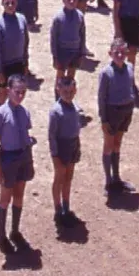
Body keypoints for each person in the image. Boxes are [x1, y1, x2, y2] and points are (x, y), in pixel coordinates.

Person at [0, 75, 36, 254]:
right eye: (17, 92)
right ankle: (1, 235)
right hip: (8, 159)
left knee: (19, 196)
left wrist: (30, 160)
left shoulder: (24, 112)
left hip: (23, 156)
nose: (20, 96)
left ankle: (15, 231)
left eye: (23, 92)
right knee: (5, 198)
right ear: (8, 90)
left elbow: (26, 136)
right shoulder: (0, 113)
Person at [97, 39, 137, 194]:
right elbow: (101, 97)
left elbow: (131, 86)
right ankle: (108, 181)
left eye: (123, 52)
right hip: (112, 112)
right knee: (108, 145)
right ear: (110, 53)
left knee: (117, 144)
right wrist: (103, 119)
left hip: (126, 111)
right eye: (116, 52)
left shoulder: (130, 68)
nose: (120, 55)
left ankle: (117, 177)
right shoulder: (106, 73)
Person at [48, 77, 82, 227]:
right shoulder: (56, 111)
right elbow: (52, 135)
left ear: (75, 90)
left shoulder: (75, 107)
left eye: (71, 91)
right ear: (58, 90)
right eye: (65, 91)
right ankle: (57, 209)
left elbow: (77, 128)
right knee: (59, 177)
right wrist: (55, 155)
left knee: (68, 177)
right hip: (61, 148)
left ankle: (66, 207)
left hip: (73, 145)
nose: (68, 94)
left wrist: (78, 146)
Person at [0, 0, 30, 107]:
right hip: (5, 65)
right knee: (3, 93)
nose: (10, 5)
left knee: (18, 92)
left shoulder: (22, 19)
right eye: (7, 3)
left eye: (13, 3)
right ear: (2, 4)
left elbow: (26, 43)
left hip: (19, 63)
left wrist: (26, 62)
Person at [50, 0, 87, 83]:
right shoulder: (58, 17)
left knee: (71, 75)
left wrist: (82, 52)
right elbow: (53, 38)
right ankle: (58, 94)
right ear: (63, 0)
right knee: (60, 77)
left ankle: (68, 93)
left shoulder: (80, 16)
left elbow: (82, 34)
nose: (71, 1)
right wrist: (55, 56)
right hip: (62, 51)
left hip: (75, 50)